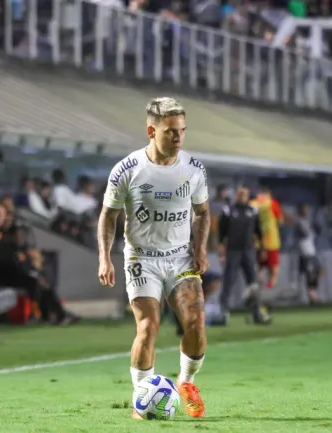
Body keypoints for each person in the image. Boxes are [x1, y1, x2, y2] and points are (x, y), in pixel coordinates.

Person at [97, 97, 209, 420]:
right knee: (148, 326)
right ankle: (142, 398)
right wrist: (104, 257)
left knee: (197, 325)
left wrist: (200, 249)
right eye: (171, 131)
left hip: (180, 258)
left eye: (183, 131)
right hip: (141, 258)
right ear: (151, 130)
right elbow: (108, 216)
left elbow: (202, 213)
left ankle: (186, 383)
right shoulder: (127, 170)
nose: (179, 137)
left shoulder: (193, 169)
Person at [218, 186, 261, 311]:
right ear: (236, 195)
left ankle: (256, 310)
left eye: (244, 194)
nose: (241, 196)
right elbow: (222, 231)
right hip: (233, 250)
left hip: (248, 250)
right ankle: (223, 310)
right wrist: (221, 247)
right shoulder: (228, 210)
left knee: (252, 281)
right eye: (239, 194)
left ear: (247, 196)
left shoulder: (253, 211)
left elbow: (259, 231)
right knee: (229, 280)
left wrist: (262, 248)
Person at [250, 187, 283, 289]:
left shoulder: (252, 204)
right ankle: (270, 286)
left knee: (260, 267)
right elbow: (280, 221)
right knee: (274, 268)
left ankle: (258, 285)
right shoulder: (272, 203)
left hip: (258, 241)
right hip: (271, 240)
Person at [294, 204, 322, 304]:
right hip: (304, 251)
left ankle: (312, 291)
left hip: (311, 250)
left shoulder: (306, 221)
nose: (306, 211)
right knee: (309, 273)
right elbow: (305, 234)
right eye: (304, 209)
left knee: (318, 270)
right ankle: (312, 295)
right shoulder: (299, 222)